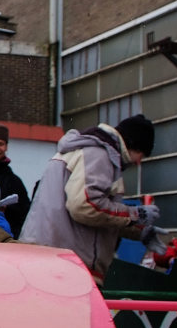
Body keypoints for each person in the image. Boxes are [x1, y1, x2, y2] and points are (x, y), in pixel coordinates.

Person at [19, 114, 158, 283]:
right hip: (69, 268)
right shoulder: (100, 154)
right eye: (142, 155)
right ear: (133, 146)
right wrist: (135, 214)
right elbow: (86, 206)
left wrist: (139, 231)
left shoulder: (82, 150)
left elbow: (94, 215)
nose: (138, 162)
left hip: (48, 258)